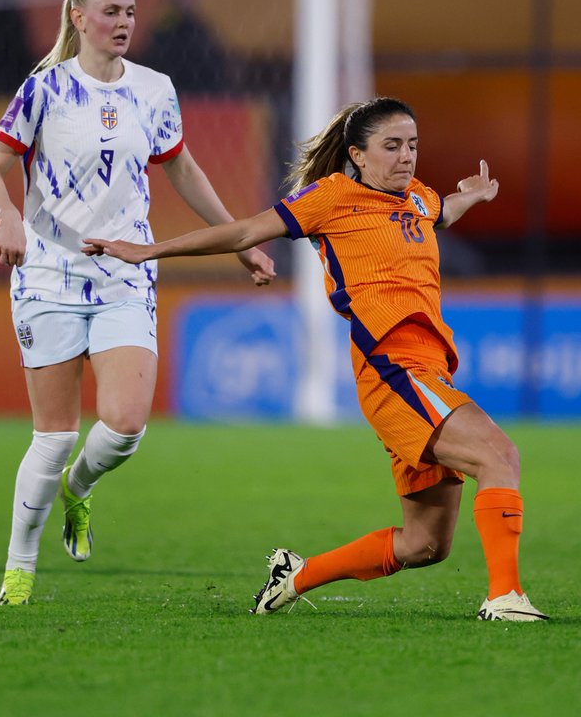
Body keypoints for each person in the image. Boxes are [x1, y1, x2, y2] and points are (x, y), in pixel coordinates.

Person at [83, 96, 549, 622]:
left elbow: (439, 212)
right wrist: (150, 250)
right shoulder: (330, 198)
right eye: (391, 146)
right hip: (392, 369)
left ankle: (298, 575)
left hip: (429, 369)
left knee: (424, 545)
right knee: (499, 456)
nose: (406, 157)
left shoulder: (418, 199)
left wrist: (470, 197)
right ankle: (504, 598)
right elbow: (243, 232)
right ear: (358, 154)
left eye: (412, 145)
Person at [0, 0, 276, 607]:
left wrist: (238, 239)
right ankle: (19, 573)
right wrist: (6, 216)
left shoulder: (155, 89)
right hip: (48, 276)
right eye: (111, 11)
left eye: (132, 12)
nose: (124, 23)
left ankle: (79, 492)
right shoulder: (45, 88)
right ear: (79, 17)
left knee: (127, 424)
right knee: (53, 436)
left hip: (125, 276)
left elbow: (183, 169)